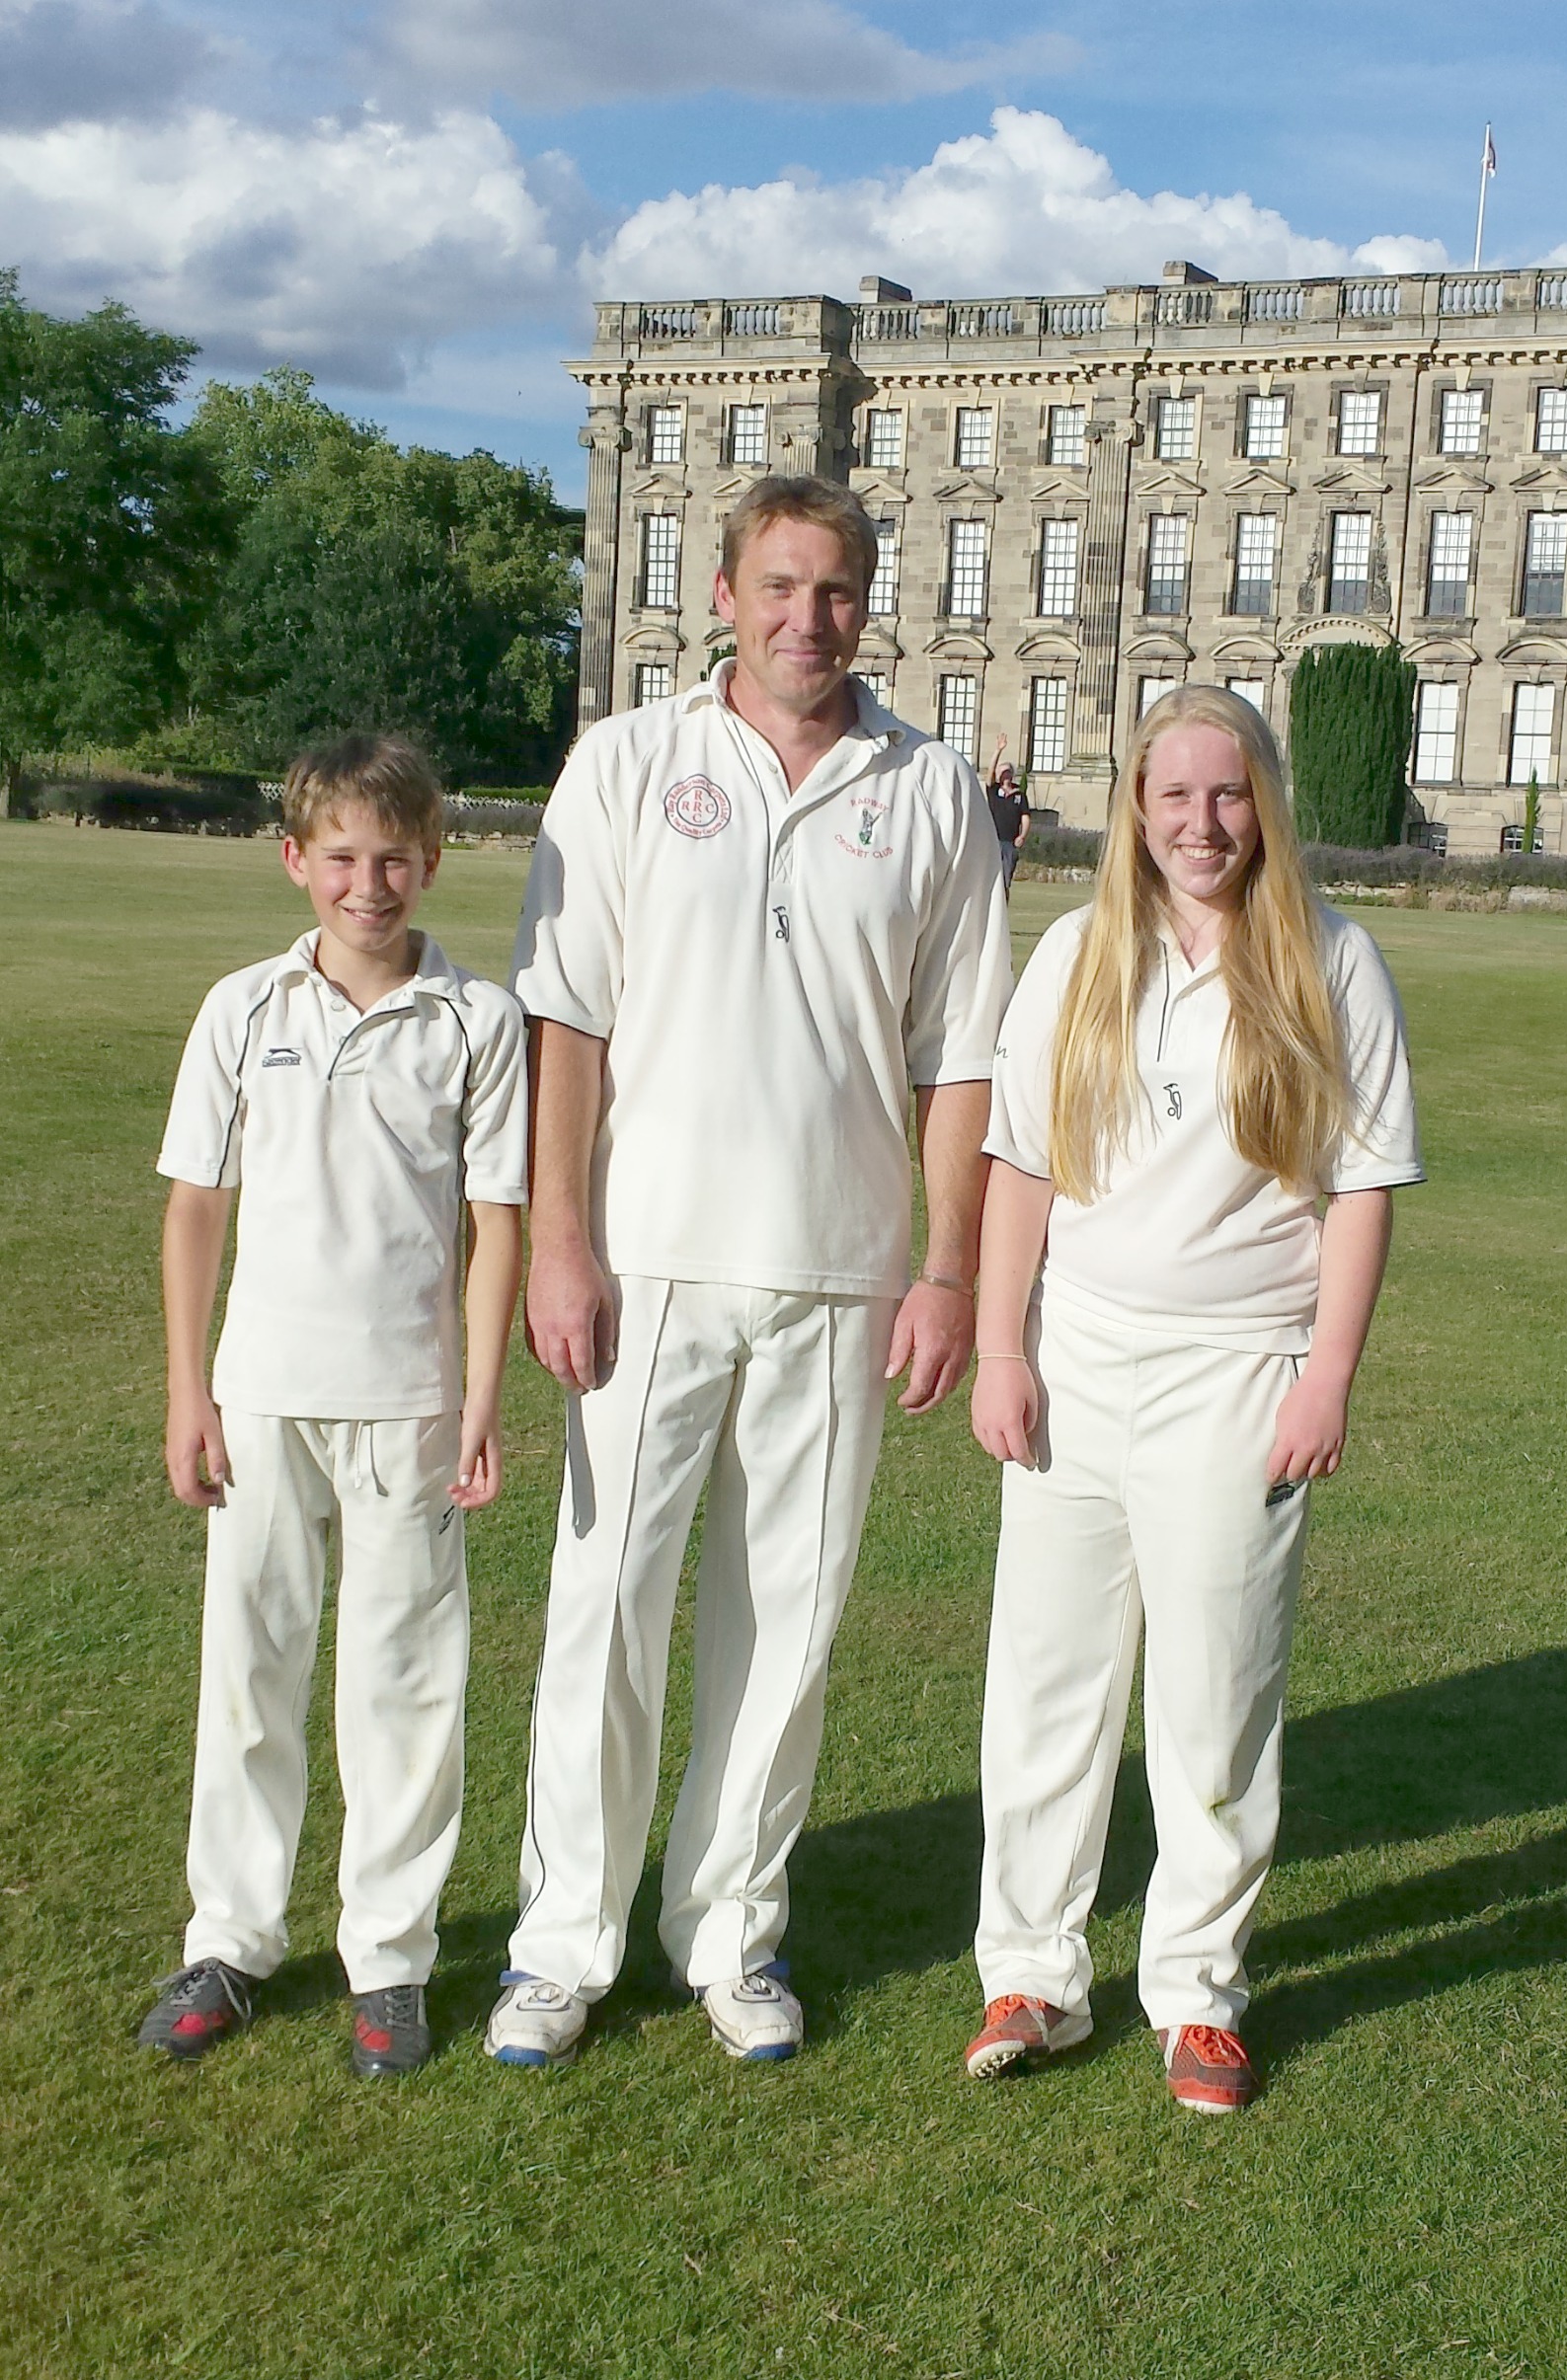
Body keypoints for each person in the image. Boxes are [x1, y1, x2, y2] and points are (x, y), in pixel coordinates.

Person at [486, 475, 1009, 2070]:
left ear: (870, 599)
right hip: (645, 1267)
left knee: (788, 1622)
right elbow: (565, 1023)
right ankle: (563, 1939)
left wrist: (948, 1274)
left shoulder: (926, 792)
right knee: (607, 1610)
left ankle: (730, 1931)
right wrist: (560, 1238)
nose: (808, 619)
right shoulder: (631, 763)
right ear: (722, 592)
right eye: (779, 587)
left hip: (844, 1277)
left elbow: (963, 1058)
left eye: (836, 591)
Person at [964, 684, 1422, 2111]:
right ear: (1134, 805)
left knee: (1213, 1693)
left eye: (1226, 797)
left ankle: (1198, 1991)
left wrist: (1325, 1375)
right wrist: (1000, 1346)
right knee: (1046, 1685)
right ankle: (1031, 1973)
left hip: (1240, 1370)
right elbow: (1022, 1166)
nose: (1200, 825)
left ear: (1262, 805)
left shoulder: (1329, 962)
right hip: (1077, 1357)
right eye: (1173, 797)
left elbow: (1358, 1189)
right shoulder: (1075, 954)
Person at [139, 734, 527, 2079]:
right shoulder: (243, 1008)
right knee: (250, 1675)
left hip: (409, 1403)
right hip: (260, 1394)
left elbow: (494, 1223)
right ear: (297, 857)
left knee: (403, 1687)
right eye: (344, 857)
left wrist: (480, 1398)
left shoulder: (476, 1020)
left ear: (433, 859)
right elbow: (198, 1206)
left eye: (397, 858)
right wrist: (190, 1385)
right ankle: (231, 1937)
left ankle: (391, 1956)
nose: (371, 884)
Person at [985, 732, 1031, 896]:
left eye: (1007, 771)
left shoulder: (1019, 795)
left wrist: (1022, 835)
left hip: (1009, 843)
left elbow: (1025, 817)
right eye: (1002, 772)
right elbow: (989, 774)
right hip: (992, 841)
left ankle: (1003, 909)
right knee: (989, 879)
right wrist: (998, 750)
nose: (1004, 774)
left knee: (1005, 881)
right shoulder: (994, 790)